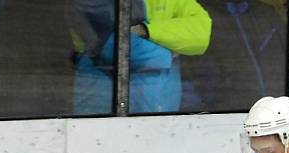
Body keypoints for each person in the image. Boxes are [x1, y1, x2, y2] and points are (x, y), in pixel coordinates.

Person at [69, 0, 211, 114]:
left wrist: (146, 31)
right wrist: (169, 50)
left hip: (161, 98)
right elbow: (112, 44)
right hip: (106, 97)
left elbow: (202, 33)